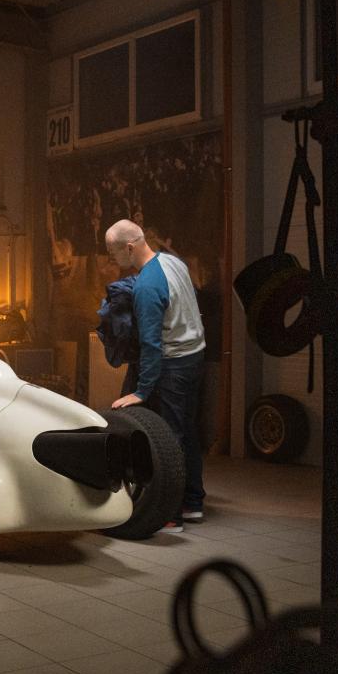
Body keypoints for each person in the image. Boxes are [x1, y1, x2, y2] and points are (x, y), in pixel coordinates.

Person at [106, 219, 207, 529]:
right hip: (195, 355)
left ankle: (170, 514)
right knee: (187, 430)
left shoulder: (147, 286)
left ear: (129, 248)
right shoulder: (173, 262)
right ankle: (192, 502)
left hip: (173, 364)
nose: (112, 259)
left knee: (168, 440)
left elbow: (151, 344)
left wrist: (142, 390)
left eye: (113, 253)